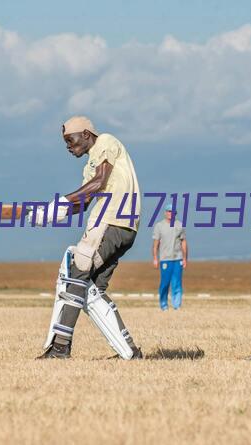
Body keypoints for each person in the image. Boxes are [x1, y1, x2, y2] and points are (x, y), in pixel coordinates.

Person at [36, 116, 143, 360]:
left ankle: (60, 347)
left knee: (74, 275)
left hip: (110, 222)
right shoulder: (89, 166)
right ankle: (130, 353)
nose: (68, 146)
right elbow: (83, 202)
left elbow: (98, 183)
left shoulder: (105, 141)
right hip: (124, 227)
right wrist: (51, 213)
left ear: (86, 134)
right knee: (90, 290)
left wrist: (63, 200)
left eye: (70, 140)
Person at [152, 204, 188, 310]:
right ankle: (163, 304)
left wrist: (185, 258)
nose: (170, 213)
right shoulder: (159, 226)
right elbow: (156, 244)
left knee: (177, 282)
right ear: (165, 212)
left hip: (178, 258)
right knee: (165, 283)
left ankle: (177, 305)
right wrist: (155, 258)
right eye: (168, 211)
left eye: (172, 212)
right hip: (165, 259)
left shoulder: (180, 225)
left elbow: (184, 242)